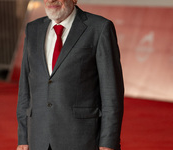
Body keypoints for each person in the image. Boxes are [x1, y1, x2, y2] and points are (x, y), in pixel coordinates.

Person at [16, 0, 124, 150]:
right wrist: (23, 137)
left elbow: (111, 91)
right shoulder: (33, 29)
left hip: (81, 138)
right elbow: (25, 89)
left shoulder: (99, 28)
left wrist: (108, 141)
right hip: (38, 138)